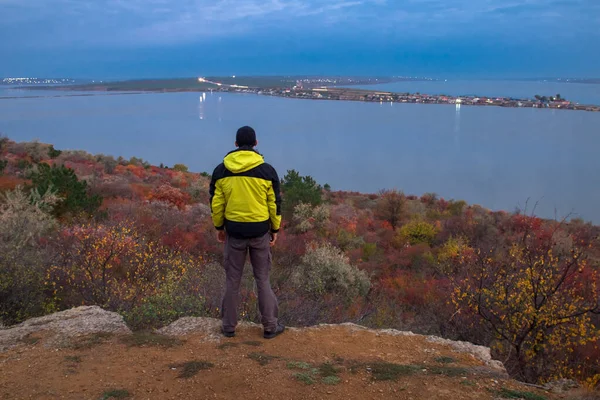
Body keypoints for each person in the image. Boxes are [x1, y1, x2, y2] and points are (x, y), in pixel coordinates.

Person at [209, 126, 285, 339]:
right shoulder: (267, 171)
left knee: (233, 279)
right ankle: (270, 326)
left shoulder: (221, 170)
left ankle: (229, 327)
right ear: (256, 143)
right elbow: (275, 203)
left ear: (235, 145)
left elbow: (216, 203)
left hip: (234, 231)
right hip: (260, 230)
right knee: (262, 278)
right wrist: (275, 228)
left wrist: (219, 227)